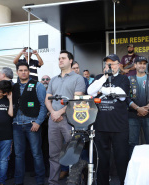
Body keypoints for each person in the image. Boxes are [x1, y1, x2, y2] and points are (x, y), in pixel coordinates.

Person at [88, 54, 130, 185]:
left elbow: (122, 95)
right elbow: (90, 91)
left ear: (119, 65)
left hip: (119, 127)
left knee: (122, 159)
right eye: (107, 64)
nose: (110, 66)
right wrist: (104, 78)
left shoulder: (124, 79)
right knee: (102, 160)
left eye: (113, 63)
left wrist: (102, 90)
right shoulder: (99, 78)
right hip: (101, 126)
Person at [45, 50, 85, 185]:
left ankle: (75, 182)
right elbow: (47, 100)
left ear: (70, 60)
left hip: (69, 121)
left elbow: (76, 100)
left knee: (73, 154)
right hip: (53, 121)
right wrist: (52, 112)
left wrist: (60, 112)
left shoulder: (78, 79)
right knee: (53, 154)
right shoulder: (54, 79)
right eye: (59, 58)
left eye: (63, 58)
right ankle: (52, 182)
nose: (60, 60)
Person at [12, 62, 47, 185]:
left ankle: (40, 181)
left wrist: (38, 122)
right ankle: (18, 182)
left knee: (37, 154)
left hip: (32, 124)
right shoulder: (14, 87)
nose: (23, 72)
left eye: (25, 70)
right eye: (20, 70)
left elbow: (44, 106)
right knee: (18, 156)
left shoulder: (38, 86)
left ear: (28, 71)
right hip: (16, 124)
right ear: (17, 72)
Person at [127, 56, 149, 158]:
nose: (142, 65)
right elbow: (126, 97)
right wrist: (137, 108)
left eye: (144, 64)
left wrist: (147, 107)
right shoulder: (128, 79)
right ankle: (133, 167)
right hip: (132, 116)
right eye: (139, 63)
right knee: (132, 143)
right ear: (135, 65)